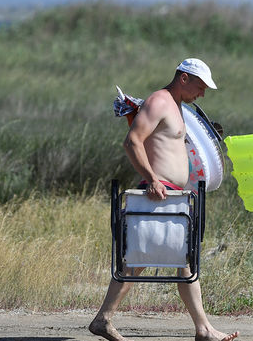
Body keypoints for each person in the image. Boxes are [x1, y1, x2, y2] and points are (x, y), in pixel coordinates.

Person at [89, 58, 238, 341]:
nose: (203, 93)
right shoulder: (159, 101)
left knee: (178, 260)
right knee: (140, 257)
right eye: (200, 86)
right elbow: (132, 141)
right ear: (183, 78)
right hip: (158, 192)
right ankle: (104, 318)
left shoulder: (177, 106)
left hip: (171, 194)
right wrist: (153, 178)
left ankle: (202, 328)